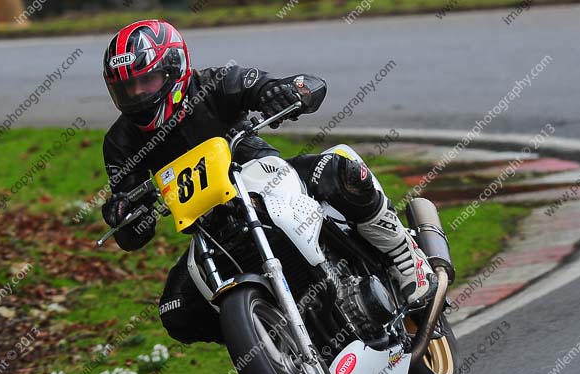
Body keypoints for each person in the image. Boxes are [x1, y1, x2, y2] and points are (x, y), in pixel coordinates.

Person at [100, 20, 434, 344]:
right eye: (128, 89)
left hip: (266, 179)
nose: (138, 95)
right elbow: (131, 222)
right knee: (177, 311)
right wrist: (123, 215)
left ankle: (403, 255)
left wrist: (283, 92)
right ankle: (267, 336)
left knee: (342, 169)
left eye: (147, 82)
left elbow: (268, 86)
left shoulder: (217, 83)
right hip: (209, 228)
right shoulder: (120, 142)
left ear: (175, 71)